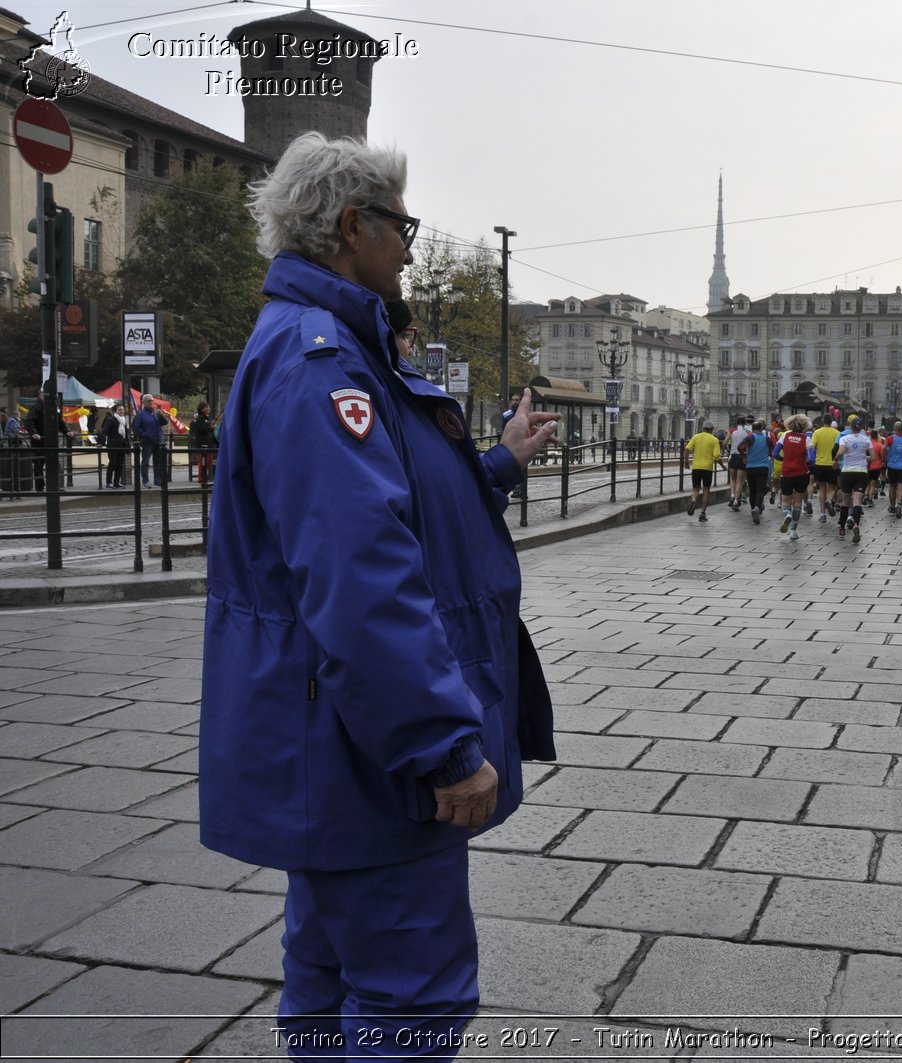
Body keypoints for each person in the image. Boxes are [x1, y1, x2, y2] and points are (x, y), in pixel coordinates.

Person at [199, 132, 559, 1053]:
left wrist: (498, 465)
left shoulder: (328, 348)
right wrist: (443, 747)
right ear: (351, 226)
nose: (411, 245)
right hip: (369, 761)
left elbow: (399, 506)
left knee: (326, 979)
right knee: (412, 994)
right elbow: (361, 576)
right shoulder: (326, 361)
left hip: (335, 749)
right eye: (401, 225)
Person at [834, 416, 873, 543]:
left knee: (845, 501)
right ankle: (856, 524)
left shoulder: (844, 438)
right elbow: (873, 456)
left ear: (850, 427)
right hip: (861, 472)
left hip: (847, 472)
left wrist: (836, 461)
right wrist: (863, 457)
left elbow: (841, 452)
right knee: (857, 501)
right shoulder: (867, 439)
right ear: (861, 427)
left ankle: (842, 528)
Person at [777, 415, 812, 541]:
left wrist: (785, 459)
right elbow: (811, 458)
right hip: (802, 473)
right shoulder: (806, 439)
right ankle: (793, 531)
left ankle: (787, 514)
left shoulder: (784, 436)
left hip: (786, 472)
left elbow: (775, 453)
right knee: (798, 501)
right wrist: (805, 460)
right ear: (804, 426)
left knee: (785, 500)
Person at [683, 419, 725, 522]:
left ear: (703, 428)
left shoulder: (696, 437)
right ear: (711, 430)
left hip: (696, 467)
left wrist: (686, 462)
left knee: (695, 489)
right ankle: (702, 514)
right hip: (707, 468)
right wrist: (723, 466)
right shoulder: (714, 440)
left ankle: (693, 500)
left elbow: (687, 449)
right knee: (706, 490)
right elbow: (717, 456)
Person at [132, 394, 169, 487]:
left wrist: (161, 416)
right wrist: (145, 434)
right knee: (145, 462)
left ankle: (158, 480)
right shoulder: (140, 414)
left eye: (152, 401)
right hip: (147, 442)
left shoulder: (156, 413)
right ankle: (145, 481)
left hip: (158, 441)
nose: (151, 402)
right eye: (149, 401)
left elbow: (165, 423)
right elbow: (135, 427)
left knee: (158, 462)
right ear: (144, 403)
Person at [741, 418, 773, 525]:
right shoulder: (767, 439)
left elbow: (739, 446)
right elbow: (772, 452)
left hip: (750, 467)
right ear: (762, 428)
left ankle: (752, 509)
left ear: (753, 429)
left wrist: (744, 456)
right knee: (761, 490)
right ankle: (757, 508)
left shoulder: (750, 437)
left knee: (753, 490)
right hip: (763, 467)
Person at [884, 420, 902, 517]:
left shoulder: (890, 438)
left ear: (894, 429)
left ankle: (892, 506)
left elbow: (883, 448)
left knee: (892, 486)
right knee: (901, 485)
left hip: (892, 465)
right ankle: (899, 503)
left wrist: (885, 457)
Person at [102, 403, 130, 489]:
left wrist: (128, 446)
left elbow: (125, 435)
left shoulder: (124, 420)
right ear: (115, 411)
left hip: (121, 446)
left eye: (122, 409)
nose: (122, 411)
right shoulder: (111, 420)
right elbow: (104, 431)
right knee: (112, 464)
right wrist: (101, 442)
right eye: (120, 409)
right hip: (112, 445)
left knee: (120, 465)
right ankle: (109, 482)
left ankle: (117, 482)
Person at [190, 401, 217, 486]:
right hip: (202, 444)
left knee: (207, 462)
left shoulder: (206, 418)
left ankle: (206, 478)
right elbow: (202, 429)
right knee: (203, 462)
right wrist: (211, 427)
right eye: (206, 407)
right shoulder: (200, 418)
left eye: (208, 407)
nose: (208, 408)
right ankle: (202, 478)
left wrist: (211, 425)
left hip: (207, 443)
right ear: (201, 409)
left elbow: (208, 428)